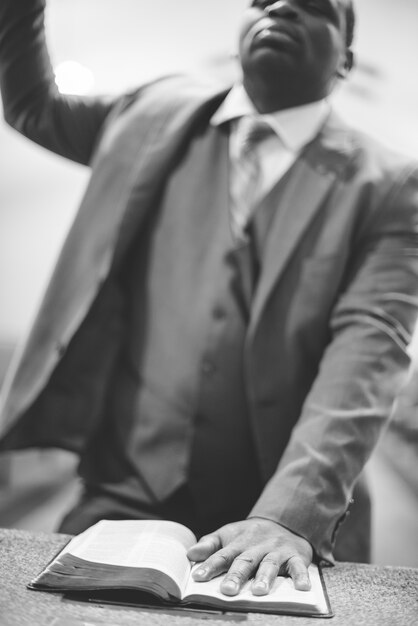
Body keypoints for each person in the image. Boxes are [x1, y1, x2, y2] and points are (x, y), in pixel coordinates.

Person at [1, 0, 418, 598]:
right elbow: (32, 105)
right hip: (123, 483)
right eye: (263, 1)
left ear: (346, 60)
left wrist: (288, 515)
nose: (280, 8)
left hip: (274, 501)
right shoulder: (151, 117)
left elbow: (370, 347)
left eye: (311, 6)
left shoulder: (389, 184)